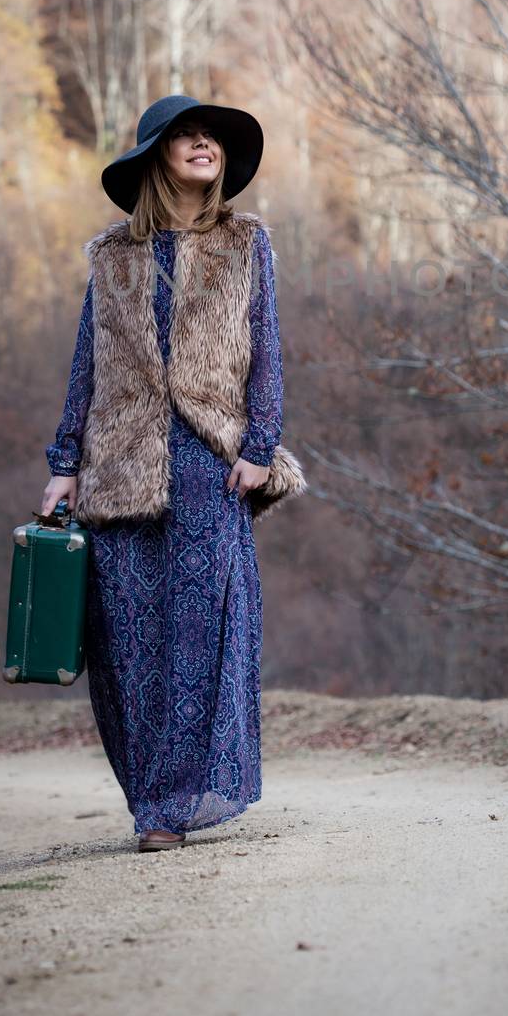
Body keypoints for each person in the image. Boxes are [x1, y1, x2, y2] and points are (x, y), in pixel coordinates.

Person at [40, 94, 306, 851]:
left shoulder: (246, 244)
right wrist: (64, 465)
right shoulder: (112, 257)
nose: (201, 144)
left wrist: (260, 447)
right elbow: (85, 366)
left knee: (200, 637)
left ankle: (171, 805)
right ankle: (150, 797)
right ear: (156, 156)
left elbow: (267, 353)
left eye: (210, 137)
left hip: (210, 464)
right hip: (117, 468)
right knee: (124, 644)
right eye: (184, 135)